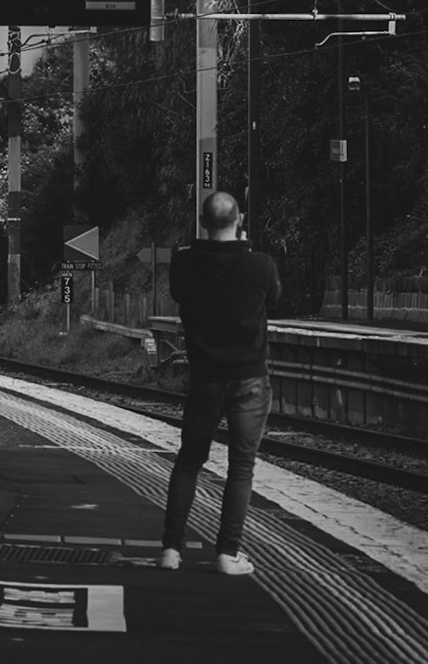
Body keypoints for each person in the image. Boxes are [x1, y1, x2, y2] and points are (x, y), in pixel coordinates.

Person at [159, 190, 281, 575]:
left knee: (189, 461)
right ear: (240, 220)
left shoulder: (184, 264)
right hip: (249, 379)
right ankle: (228, 555)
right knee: (241, 466)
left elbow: (179, 291)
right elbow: (273, 299)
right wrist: (244, 252)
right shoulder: (260, 265)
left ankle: (171, 552)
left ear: (203, 222)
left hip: (205, 378)